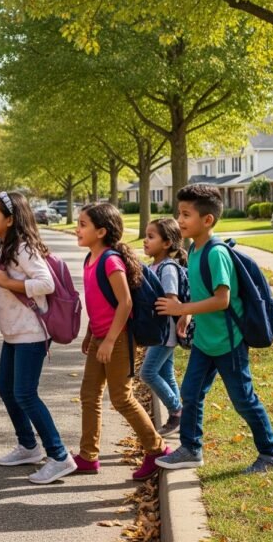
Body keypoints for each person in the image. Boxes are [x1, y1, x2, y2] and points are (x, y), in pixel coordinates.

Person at [154, 184, 273, 474]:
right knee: (191, 393)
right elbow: (200, 290)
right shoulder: (193, 250)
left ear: (207, 220)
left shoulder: (217, 253)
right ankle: (191, 449)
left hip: (229, 342)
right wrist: (188, 315)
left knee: (243, 400)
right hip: (206, 341)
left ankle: (272, 453)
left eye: (186, 214)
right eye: (179, 213)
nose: (179, 220)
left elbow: (222, 299)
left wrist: (182, 309)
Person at [0, 190, 77, 485]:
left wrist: (8, 282)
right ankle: (28, 446)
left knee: (24, 392)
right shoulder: (4, 246)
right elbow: (15, 288)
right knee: (6, 387)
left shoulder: (23, 246)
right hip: (14, 331)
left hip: (32, 332)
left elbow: (45, 283)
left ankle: (59, 456)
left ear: (10, 220)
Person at [73, 202, 169, 479]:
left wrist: (108, 340)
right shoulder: (90, 258)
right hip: (100, 337)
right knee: (89, 395)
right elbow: (99, 302)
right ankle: (88, 456)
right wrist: (92, 334)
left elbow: (125, 303)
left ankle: (157, 449)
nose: (78, 229)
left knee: (121, 397)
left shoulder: (110, 260)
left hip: (118, 338)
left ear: (101, 231)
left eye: (83, 225)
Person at [140, 218, 189, 436]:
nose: (145, 240)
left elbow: (173, 302)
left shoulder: (167, 268)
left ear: (167, 243)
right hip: (159, 332)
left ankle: (177, 410)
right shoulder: (153, 266)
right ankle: (179, 417)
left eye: (151, 237)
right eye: (146, 235)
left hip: (165, 332)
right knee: (166, 372)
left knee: (148, 373)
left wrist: (182, 315)